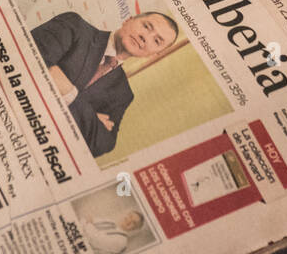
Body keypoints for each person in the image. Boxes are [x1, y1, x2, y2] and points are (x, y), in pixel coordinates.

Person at [32, 10, 179, 157]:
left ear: (155, 54)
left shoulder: (123, 94)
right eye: (146, 26)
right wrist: (91, 118)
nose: (145, 37)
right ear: (128, 20)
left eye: (157, 41)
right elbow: (32, 61)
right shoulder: (74, 26)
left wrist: (70, 93)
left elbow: (100, 145)